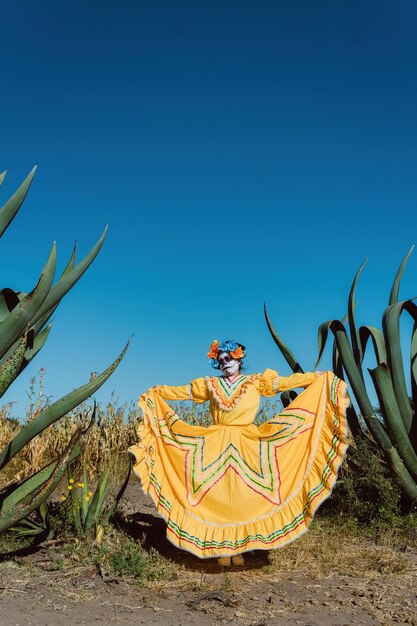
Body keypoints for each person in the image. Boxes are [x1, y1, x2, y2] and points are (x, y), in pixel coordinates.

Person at [129, 339, 349, 566]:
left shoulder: (255, 382)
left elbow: (285, 382)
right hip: (216, 444)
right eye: (220, 360)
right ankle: (223, 549)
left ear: (239, 359)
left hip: (247, 443)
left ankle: (240, 549)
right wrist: (157, 392)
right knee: (219, 497)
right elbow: (183, 391)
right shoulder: (210, 385)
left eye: (229, 359)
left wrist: (315, 378)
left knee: (245, 497)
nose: (225, 363)